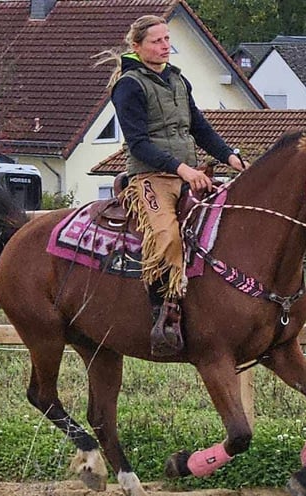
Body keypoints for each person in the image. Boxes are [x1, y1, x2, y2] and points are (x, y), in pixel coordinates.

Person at [97, 15, 248, 357]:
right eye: (157, 41)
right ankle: (162, 315)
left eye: (167, 40)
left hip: (188, 172)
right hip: (150, 177)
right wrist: (182, 169)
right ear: (136, 46)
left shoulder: (179, 81)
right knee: (166, 236)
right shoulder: (129, 85)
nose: (165, 46)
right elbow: (138, 144)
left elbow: (201, 128)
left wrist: (231, 156)